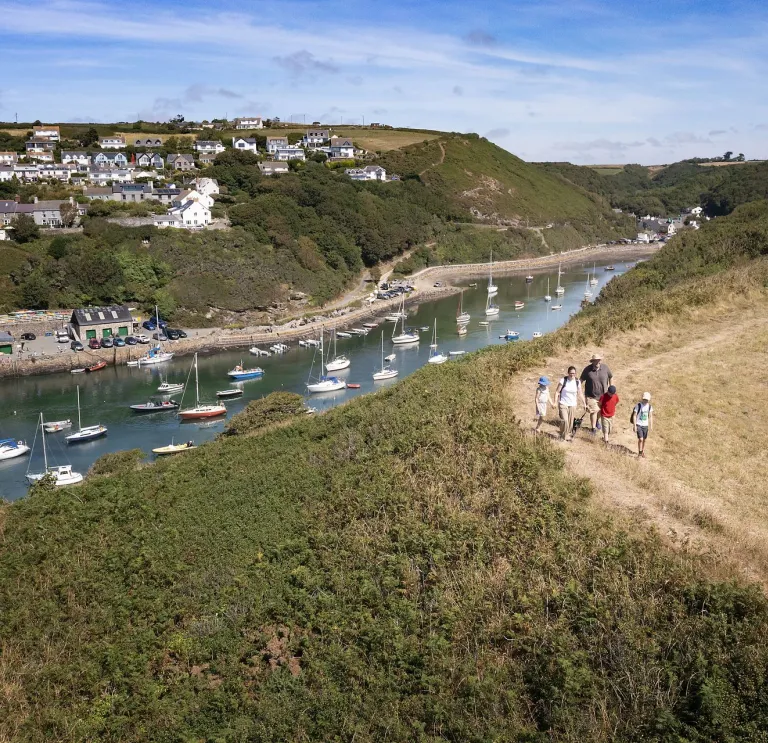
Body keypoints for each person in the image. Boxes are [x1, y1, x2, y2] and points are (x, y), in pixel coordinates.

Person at [580, 352, 613, 433]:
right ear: (592, 361)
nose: (598, 362)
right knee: (594, 411)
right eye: (596, 360)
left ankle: (596, 421)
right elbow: (581, 380)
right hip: (591, 395)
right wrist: (577, 389)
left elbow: (611, 377)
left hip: (603, 395)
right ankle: (593, 429)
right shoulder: (587, 370)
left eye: (599, 360)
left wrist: (611, 388)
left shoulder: (605, 368)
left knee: (600, 411)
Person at [555, 366, 586, 441]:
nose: (572, 375)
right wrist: (555, 402)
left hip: (572, 404)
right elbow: (557, 392)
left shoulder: (577, 382)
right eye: (571, 373)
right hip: (563, 403)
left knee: (570, 422)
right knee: (565, 420)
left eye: (574, 373)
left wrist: (584, 403)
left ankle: (566, 434)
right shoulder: (563, 380)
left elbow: (580, 393)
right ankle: (563, 436)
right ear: (568, 373)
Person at [630, 392, 654, 457]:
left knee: (644, 440)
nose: (645, 401)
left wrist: (651, 425)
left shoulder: (650, 407)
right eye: (644, 399)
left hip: (645, 425)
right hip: (639, 424)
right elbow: (634, 415)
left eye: (647, 400)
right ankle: (640, 452)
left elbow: (650, 416)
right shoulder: (638, 406)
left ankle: (642, 451)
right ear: (642, 398)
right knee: (641, 439)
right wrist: (634, 425)